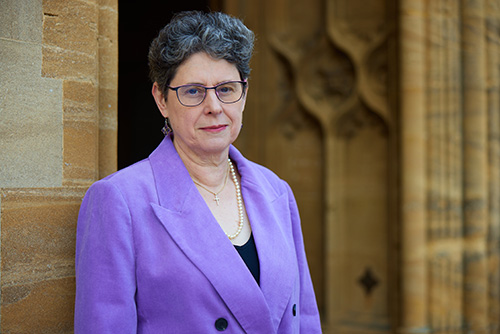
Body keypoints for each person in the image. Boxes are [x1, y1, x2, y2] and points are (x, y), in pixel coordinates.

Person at [74, 11, 322, 333]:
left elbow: (304, 318)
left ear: (244, 95)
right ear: (162, 99)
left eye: (227, 89)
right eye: (193, 91)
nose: (214, 107)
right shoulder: (118, 200)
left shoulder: (277, 191)